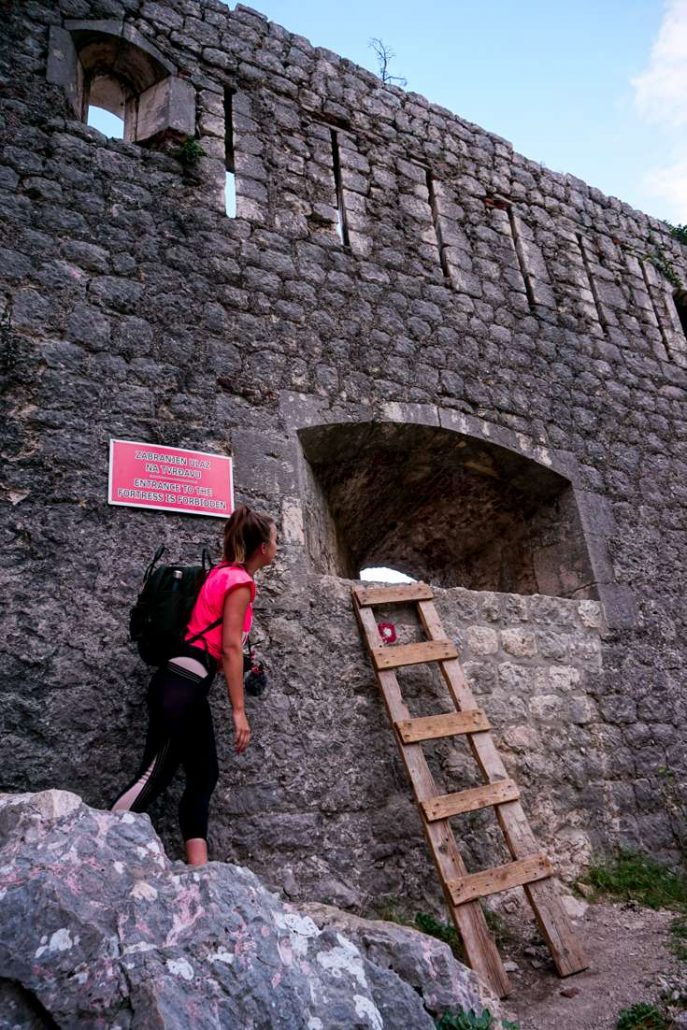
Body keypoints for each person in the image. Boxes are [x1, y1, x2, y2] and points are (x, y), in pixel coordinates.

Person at [111, 505, 277, 866]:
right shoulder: (239, 583)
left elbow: (218, 644)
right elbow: (230, 647)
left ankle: (198, 872)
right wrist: (238, 711)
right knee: (154, 775)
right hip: (182, 686)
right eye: (275, 540)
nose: (277, 546)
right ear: (262, 547)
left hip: (185, 684)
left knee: (204, 775)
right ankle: (97, 839)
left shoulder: (220, 573)